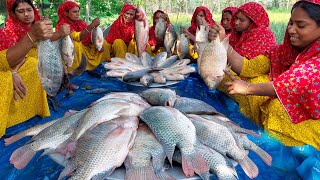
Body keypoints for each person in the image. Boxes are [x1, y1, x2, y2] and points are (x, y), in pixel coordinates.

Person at [210, 0, 320, 150]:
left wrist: (248, 88)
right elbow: (248, 67)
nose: (291, 30)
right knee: (248, 80)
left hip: (313, 117)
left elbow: (290, 84)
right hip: (276, 97)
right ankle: (263, 122)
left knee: (276, 107)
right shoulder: (283, 52)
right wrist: (224, 42)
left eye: (300, 25)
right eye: (291, 23)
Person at [215, 2, 277, 124]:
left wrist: (223, 42)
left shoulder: (262, 35)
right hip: (242, 71)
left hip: (254, 75)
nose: (236, 22)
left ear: (252, 21)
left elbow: (248, 67)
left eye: (241, 20)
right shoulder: (236, 34)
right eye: (236, 18)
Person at [0, 0, 52, 138]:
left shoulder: (38, 26)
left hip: (25, 64)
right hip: (12, 66)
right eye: (21, 11)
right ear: (13, 14)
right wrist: (13, 72)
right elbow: (5, 59)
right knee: (7, 79)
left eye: (29, 10)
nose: (27, 14)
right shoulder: (9, 31)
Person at [55, 1, 110, 72]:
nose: (78, 14)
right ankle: (75, 71)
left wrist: (98, 42)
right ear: (66, 13)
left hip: (86, 48)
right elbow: (78, 37)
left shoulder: (79, 22)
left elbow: (90, 35)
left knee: (104, 43)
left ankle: (104, 65)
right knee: (76, 44)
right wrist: (92, 25)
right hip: (74, 53)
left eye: (78, 11)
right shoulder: (62, 25)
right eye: (74, 12)